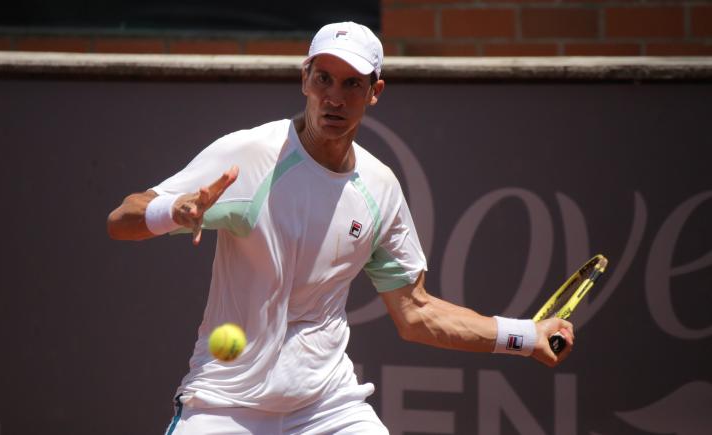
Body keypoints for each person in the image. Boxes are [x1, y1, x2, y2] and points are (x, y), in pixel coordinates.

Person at [107, 21, 574, 435]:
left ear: (375, 92)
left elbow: (416, 313)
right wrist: (173, 210)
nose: (334, 97)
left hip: (327, 408)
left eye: (352, 83)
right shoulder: (251, 156)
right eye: (324, 78)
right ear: (304, 79)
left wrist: (526, 336)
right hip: (225, 406)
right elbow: (122, 220)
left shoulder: (379, 187)